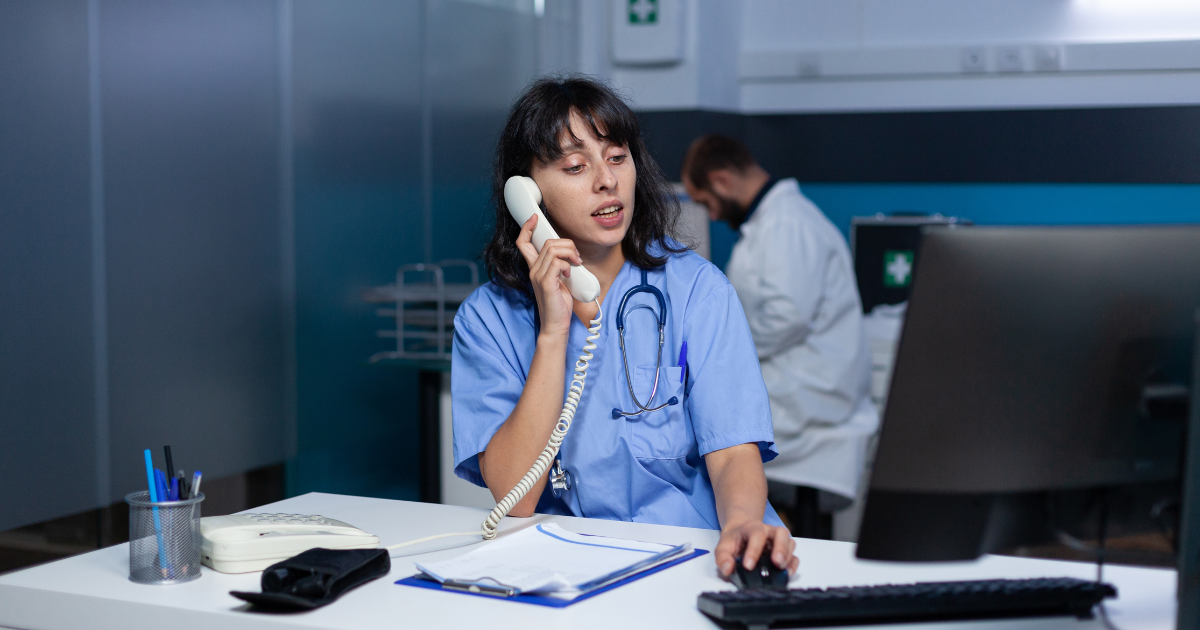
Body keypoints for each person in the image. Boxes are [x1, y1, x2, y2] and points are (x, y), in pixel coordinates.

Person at [451, 77, 798, 577]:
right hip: (572, 570)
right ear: (525, 194)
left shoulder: (697, 289)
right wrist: (553, 332)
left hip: (698, 552)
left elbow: (731, 452)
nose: (605, 180)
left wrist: (742, 523)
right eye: (575, 166)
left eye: (617, 157)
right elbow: (516, 497)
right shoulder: (488, 319)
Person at [681, 135, 878, 539]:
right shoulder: (772, 222)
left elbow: (787, 317)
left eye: (706, 202)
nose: (712, 215)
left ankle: (714, 531)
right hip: (796, 377)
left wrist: (718, 347)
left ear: (721, 181)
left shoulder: (787, 223)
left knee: (697, 431)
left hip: (812, 388)